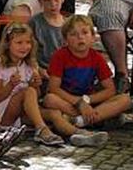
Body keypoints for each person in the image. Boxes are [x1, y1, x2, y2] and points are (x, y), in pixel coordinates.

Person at [41, 14, 120, 146]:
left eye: (85, 32)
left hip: (87, 101)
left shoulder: (97, 58)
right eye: (74, 34)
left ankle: (78, 120)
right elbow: (54, 88)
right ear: (65, 40)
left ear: (93, 37)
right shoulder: (60, 56)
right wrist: (79, 103)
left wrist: (86, 101)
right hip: (66, 100)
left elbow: (110, 89)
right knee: (50, 99)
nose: (80, 37)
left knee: (125, 100)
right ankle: (94, 119)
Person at [0, 23, 65, 146]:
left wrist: (35, 84)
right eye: (19, 43)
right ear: (8, 44)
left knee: (53, 114)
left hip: (22, 113)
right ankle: (42, 129)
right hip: (3, 114)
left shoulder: (30, 65)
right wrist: (10, 85)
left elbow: (35, 96)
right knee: (27, 91)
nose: (24, 47)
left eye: (28, 42)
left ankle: (77, 132)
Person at [30, 0, 66, 71]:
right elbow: (29, 53)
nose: (53, 4)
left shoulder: (69, 24)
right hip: (41, 71)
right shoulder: (34, 23)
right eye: (47, 0)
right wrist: (38, 70)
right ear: (39, 0)